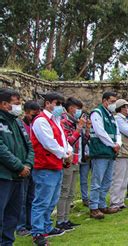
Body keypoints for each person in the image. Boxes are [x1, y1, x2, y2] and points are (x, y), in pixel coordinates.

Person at [31, 92, 72, 245]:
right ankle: (37, 232)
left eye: (62, 104)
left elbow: (62, 139)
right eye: (58, 103)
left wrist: (68, 150)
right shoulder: (41, 121)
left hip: (56, 164)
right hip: (45, 165)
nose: (60, 107)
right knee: (42, 200)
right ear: (48, 103)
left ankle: (46, 226)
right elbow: (49, 143)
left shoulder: (56, 120)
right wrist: (64, 154)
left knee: (52, 199)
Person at [0, 89, 34, 246]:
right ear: (4, 104)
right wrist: (19, 166)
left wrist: (27, 164)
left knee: (13, 215)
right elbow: (1, 149)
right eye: (16, 104)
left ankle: (8, 242)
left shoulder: (18, 123)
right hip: (4, 175)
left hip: (19, 177)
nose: (19, 107)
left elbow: (29, 146)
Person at [88, 92, 121, 219]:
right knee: (97, 181)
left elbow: (117, 132)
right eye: (112, 101)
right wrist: (113, 145)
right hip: (100, 152)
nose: (114, 104)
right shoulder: (97, 113)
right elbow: (100, 131)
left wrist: (118, 143)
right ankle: (94, 207)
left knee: (107, 181)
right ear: (105, 101)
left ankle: (102, 204)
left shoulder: (111, 116)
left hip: (110, 153)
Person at [56, 97, 86, 231]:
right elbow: (69, 141)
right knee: (64, 191)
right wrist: (79, 128)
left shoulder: (74, 122)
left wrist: (85, 129)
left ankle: (66, 219)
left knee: (71, 193)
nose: (78, 111)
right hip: (67, 161)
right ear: (70, 108)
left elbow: (83, 141)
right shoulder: (65, 121)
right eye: (77, 108)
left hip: (76, 160)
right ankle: (60, 220)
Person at [16, 100, 40, 237]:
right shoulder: (20, 125)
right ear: (26, 112)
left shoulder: (35, 124)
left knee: (32, 196)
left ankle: (30, 223)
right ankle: (20, 226)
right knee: (22, 197)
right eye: (32, 114)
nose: (34, 117)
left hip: (34, 165)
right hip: (23, 165)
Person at [110, 99, 128, 210]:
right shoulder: (119, 119)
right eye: (127, 106)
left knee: (124, 179)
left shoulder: (124, 119)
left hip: (126, 152)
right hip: (121, 153)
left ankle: (120, 201)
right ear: (122, 108)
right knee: (118, 179)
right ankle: (114, 202)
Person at [79, 113, 91, 207]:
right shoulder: (77, 129)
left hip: (86, 158)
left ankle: (85, 198)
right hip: (77, 157)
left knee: (84, 179)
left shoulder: (88, 130)